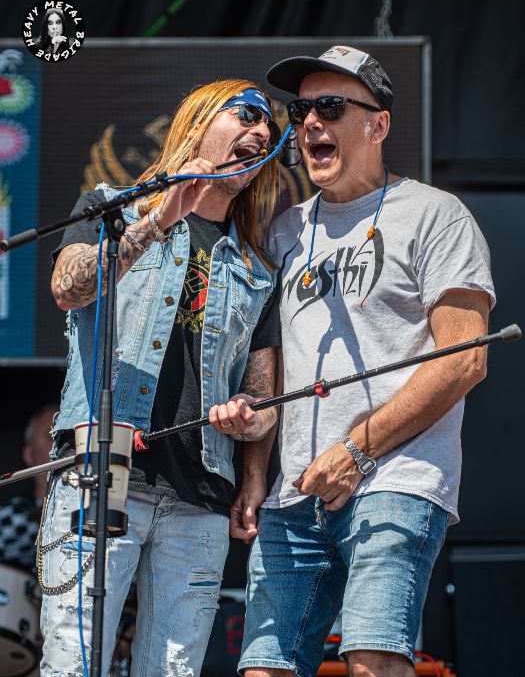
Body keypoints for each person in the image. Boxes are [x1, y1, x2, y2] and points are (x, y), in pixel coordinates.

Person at [234, 46, 496, 677]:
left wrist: (356, 450)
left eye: (330, 108)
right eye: (300, 111)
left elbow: (465, 359)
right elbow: (268, 368)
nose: (310, 124)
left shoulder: (435, 214)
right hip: (294, 493)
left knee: (373, 657)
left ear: (378, 125)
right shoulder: (283, 231)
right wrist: (254, 475)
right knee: (264, 667)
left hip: (394, 479)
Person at [41, 80, 282, 676]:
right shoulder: (112, 208)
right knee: (74, 665)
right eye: (246, 115)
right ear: (197, 123)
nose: (260, 131)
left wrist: (249, 424)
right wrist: (159, 219)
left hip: (200, 498)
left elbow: (266, 399)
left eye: (269, 129)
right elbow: (68, 289)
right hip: (103, 474)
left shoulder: (256, 269)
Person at [0, 405, 56, 569]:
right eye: (51, 436)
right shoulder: (7, 518)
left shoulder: (95, 513)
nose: (62, 445)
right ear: (29, 455)